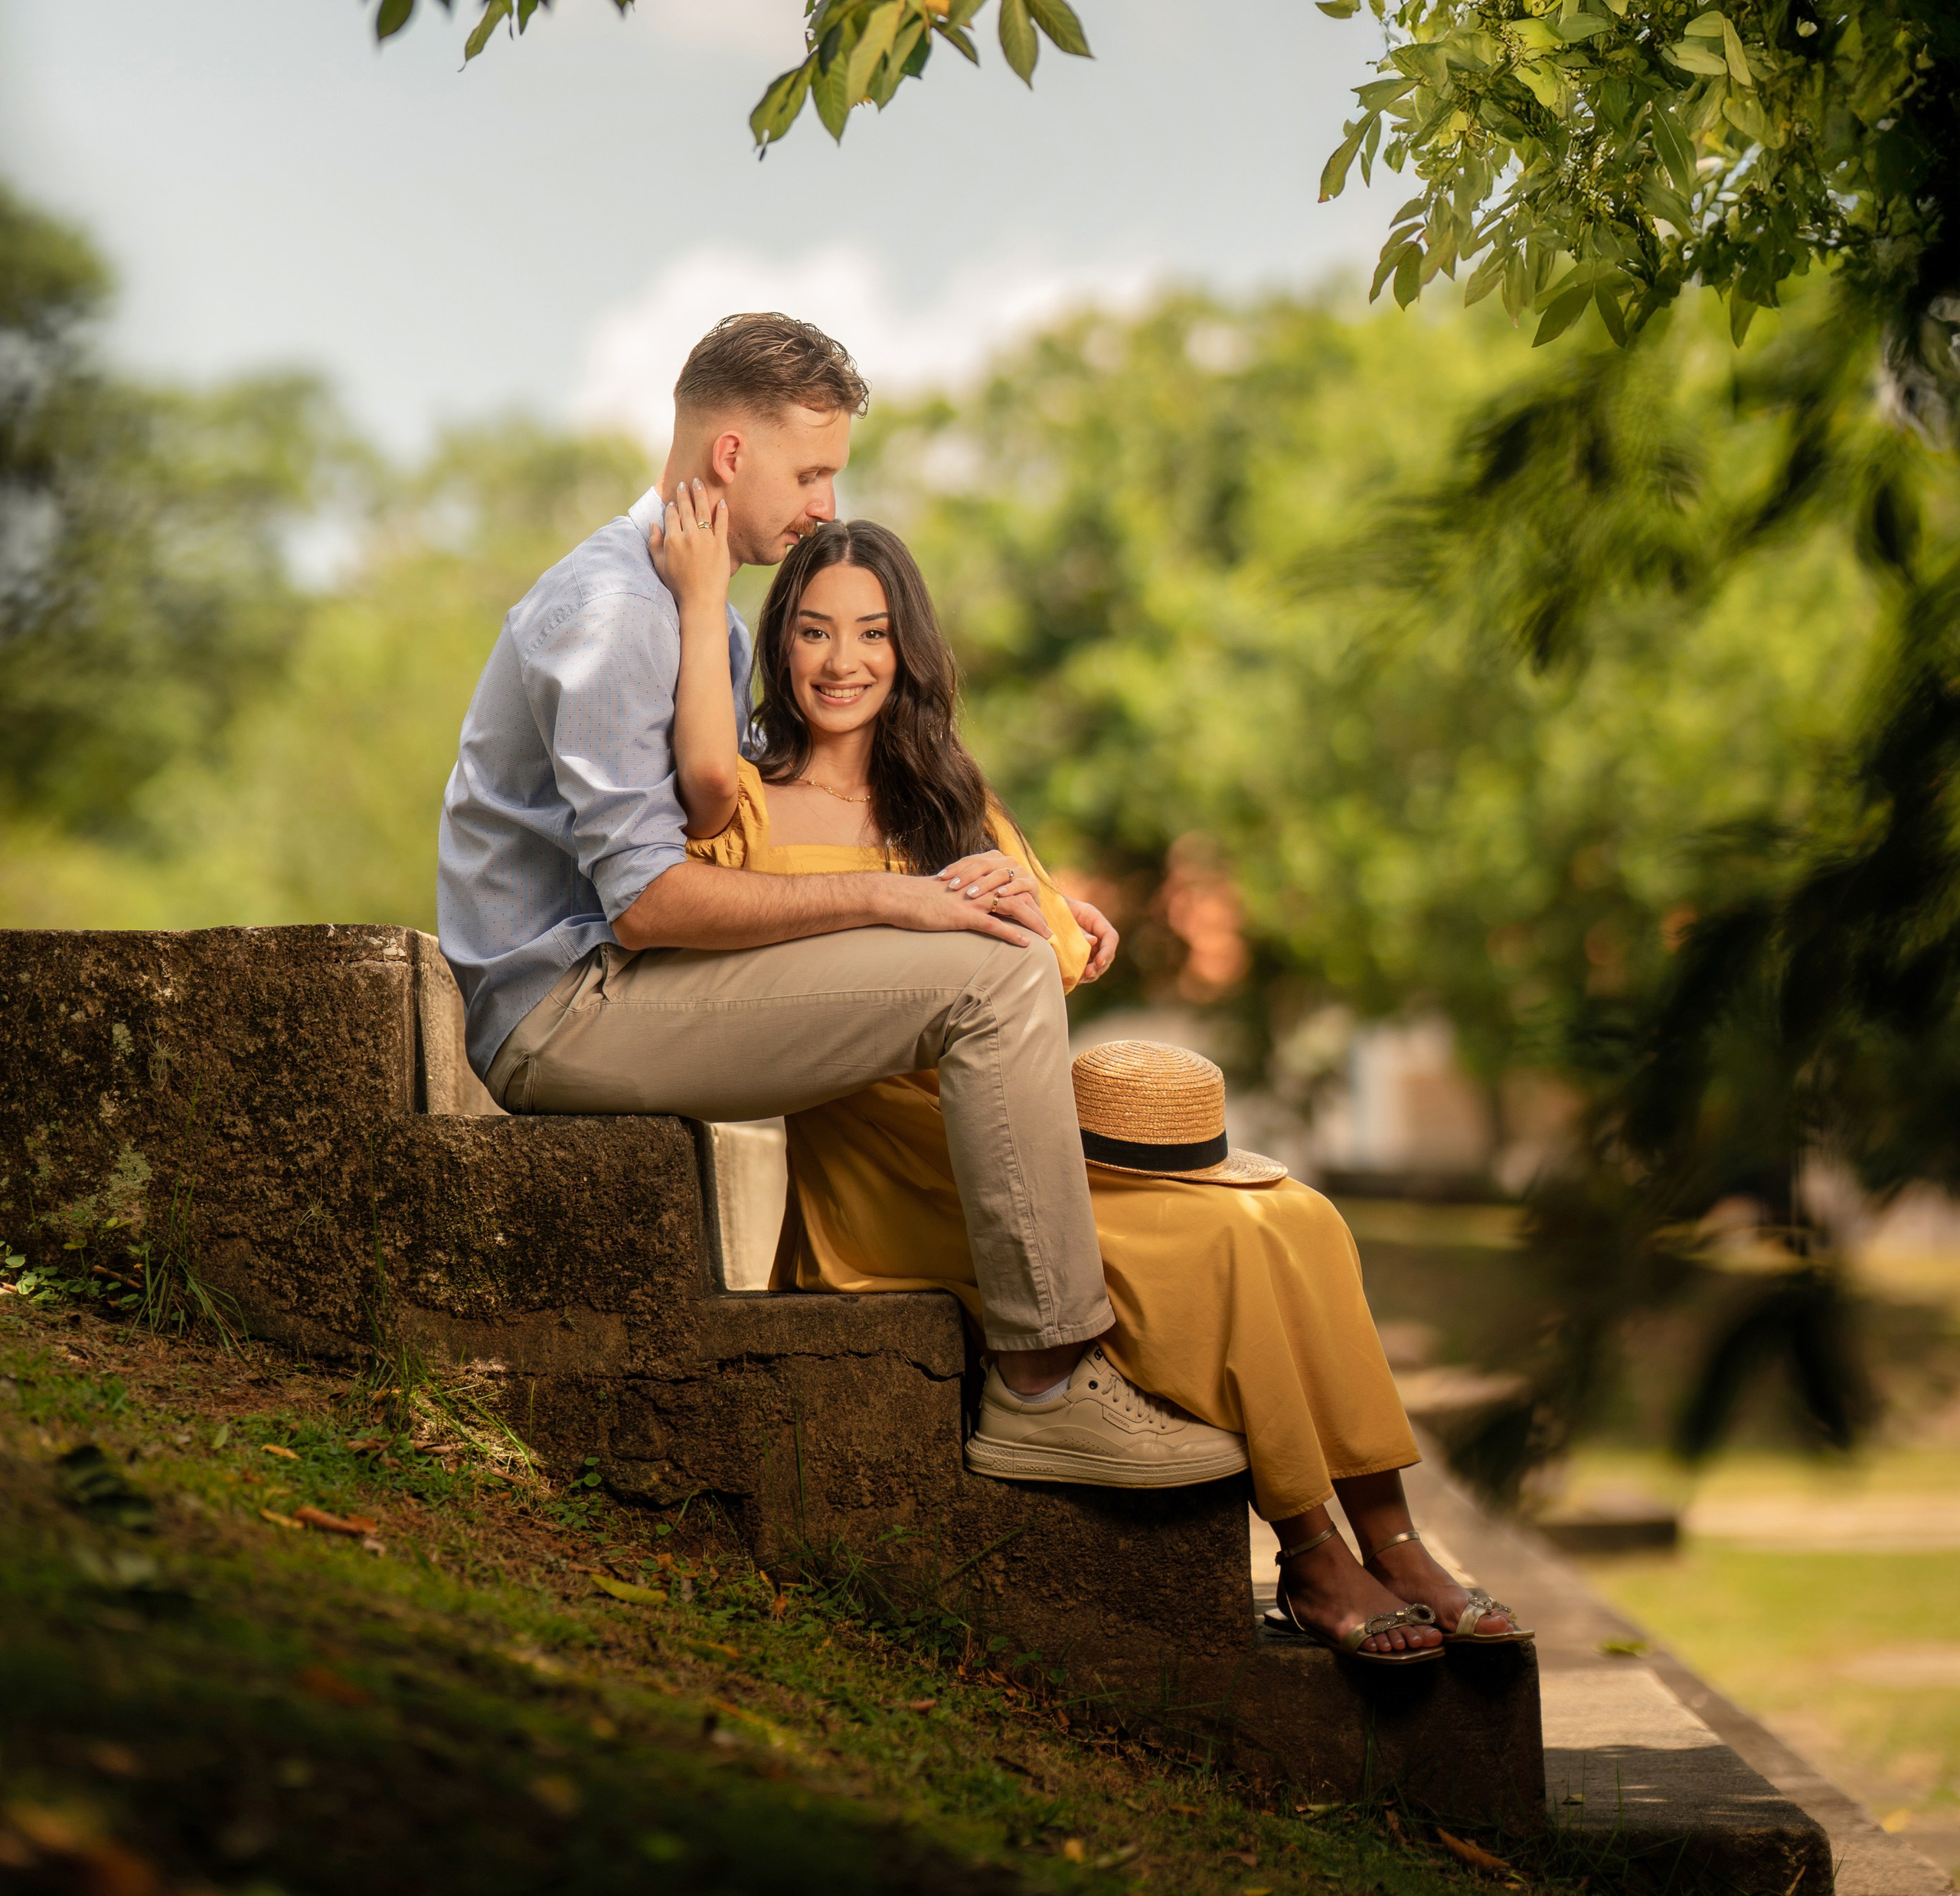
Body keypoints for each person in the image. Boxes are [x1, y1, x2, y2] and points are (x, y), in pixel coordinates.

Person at [658, 491, 1533, 1664]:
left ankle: (1396, 1536)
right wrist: (698, 596)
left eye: (871, 632)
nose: (843, 660)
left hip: (1005, 1136)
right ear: (779, 645)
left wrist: (1035, 904)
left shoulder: (947, 806)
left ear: (907, 651)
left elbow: (1067, 959)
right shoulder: (749, 807)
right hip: (883, 1174)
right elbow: (703, 821)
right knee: (1213, 1248)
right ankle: (1314, 1558)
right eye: (814, 630)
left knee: (1299, 1221)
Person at [436, 311, 1233, 1482]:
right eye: (811, 471)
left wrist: (1030, 887)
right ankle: (1048, 1381)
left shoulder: (690, 602)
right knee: (990, 978)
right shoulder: (611, 614)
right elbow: (652, 903)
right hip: (570, 1013)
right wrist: (900, 905)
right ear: (729, 457)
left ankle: (1052, 1366)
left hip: (636, 982)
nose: (821, 504)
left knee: (1003, 946)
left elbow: (777, 803)